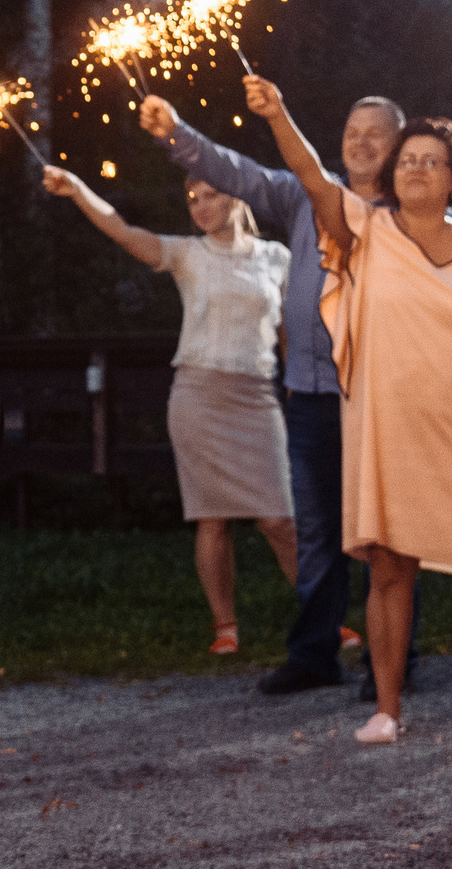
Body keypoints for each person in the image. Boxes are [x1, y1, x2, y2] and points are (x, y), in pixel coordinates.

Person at [245, 77, 452, 748]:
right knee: (388, 566)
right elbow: (308, 173)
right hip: (385, 427)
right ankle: (386, 708)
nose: (416, 167)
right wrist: (278, 112)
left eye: (430, 161)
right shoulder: (365, 229)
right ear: (391, 174)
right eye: (407, 159)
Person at [140, 89, 405, 693]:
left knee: (382, 532)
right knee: (314, 532)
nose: (360, 143)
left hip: (376, 395)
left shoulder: (405, 210)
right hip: (310, 395)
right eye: (351, 132)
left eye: (376, 133)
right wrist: (176, 132)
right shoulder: (310, 196)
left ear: (398, 145)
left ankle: (392, 661)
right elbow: (237, 172)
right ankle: (315, 655)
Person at [41, 165, 296, 653]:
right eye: (192, 198)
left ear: (238, 199)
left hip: (257, 394)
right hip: (199, 394)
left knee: (280, 519)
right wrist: (77, 190)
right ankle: (225, 627)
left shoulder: (276, 258)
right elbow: (122, 229)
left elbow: (286, 332)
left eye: (211, 195)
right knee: (212, 517)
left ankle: (321, 616)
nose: (200, 205)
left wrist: (296, 387)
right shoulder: (186, 253)